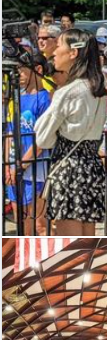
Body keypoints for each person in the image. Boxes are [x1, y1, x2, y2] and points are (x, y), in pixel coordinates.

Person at [35, 29, 107, 236]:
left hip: (69, 169)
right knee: (87, 237)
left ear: (73, 53)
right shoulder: (98, 89)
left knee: (69, 242)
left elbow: (42, 137)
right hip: (91, 166)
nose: (55, 52)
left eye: (59, 45)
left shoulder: (68, 92)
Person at [4, 50, 51, 236]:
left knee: (38, 223)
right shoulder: (17, 98)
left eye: (22, 70)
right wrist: (8, 166)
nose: (19, 75)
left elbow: (42, 138)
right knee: (21, 222)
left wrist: (21, 165)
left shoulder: (46, 99)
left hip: (35, 169)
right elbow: (9, 131)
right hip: (14, 167)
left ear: (36, 69)